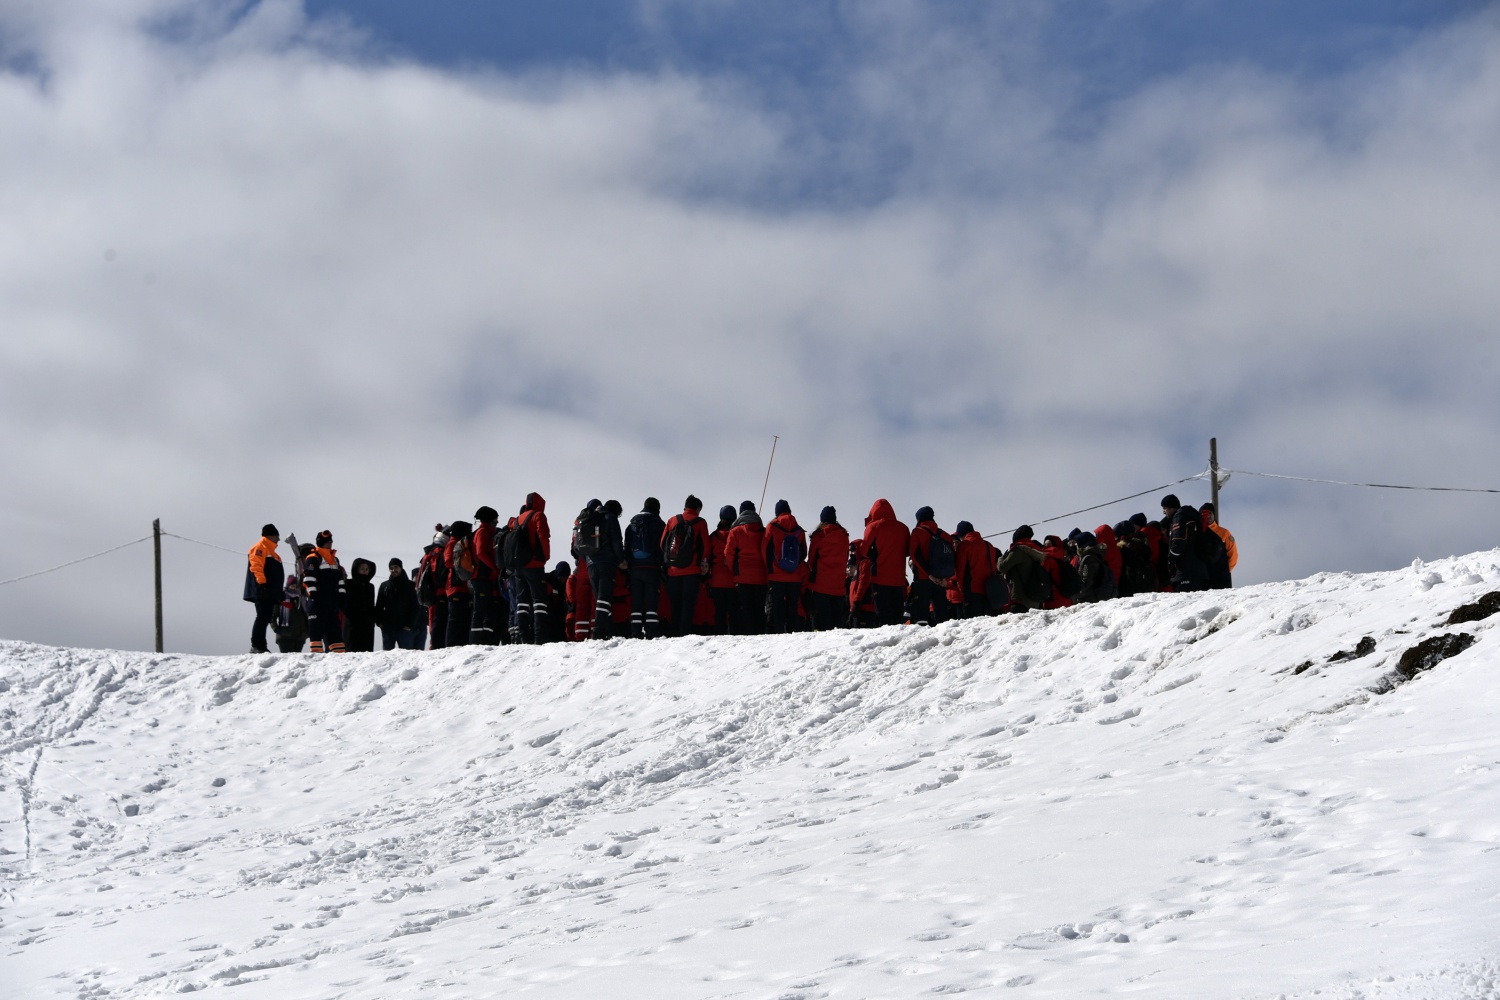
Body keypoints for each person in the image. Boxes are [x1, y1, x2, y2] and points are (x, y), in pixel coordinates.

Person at [661, 495, 712, 637]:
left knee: (675, 604)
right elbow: (706, 546)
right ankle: (685, 633)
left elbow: (662, 544)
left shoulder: (672, 520)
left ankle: (674, 633)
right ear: (698, 509)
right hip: (692, 570)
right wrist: (703, 562)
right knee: (688, 604)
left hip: (673, 571)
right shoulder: (700, 522)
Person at [577, 499, 625, 640]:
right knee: (604, 598)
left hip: (591, 564)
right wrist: (620, 560)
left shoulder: (588, 518)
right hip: (606, 562)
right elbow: (617, 541)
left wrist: (588, 558)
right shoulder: (610, 518)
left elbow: (576, 547)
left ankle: (607, 631)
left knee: (600, 599)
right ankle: (598, 632)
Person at [509, 493, 552, 644]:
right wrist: (546, 557)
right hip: (535, 565)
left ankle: (523, 637)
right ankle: (540, 637)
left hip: (519, 566)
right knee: (539, 601)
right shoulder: (538, 515)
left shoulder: (517, 520)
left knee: (522, 602)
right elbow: (543, 536)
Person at [860, 500, 910, 626]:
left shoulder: (873, 526)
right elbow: (908, 551)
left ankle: (887, 641)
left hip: (879, 577)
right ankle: (900, 642)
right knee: (897, 614)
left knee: (883, 614)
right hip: (898, 578)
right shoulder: (903, 528)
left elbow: (863, 550)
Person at [724, 501, 769, 634]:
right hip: (761, 577)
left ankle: (748, 635)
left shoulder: (735, 531)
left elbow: (728, 553)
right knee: (759, 608)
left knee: (746, 608)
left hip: (742, 577)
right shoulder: (764, 531)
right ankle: (760, 634)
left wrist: (735, 571)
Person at [624, 498, 666, 639]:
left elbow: (626, 547)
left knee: (636, 600)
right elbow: (663, 547)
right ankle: (651, 631)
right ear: (657, 509)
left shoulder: (631, 524)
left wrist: (630, 565)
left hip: (635, 568)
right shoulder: (658, 523)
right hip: (652, 567)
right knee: (652, 601)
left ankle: (635, 631)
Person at [907, 506, 956, 626]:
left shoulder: (918, 532)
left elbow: (914, 555)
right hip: (941, 579)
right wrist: (945, 578)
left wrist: (929, 574)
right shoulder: (945, 535)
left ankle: (922, 642)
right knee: (941, 615)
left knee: (921, 616)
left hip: (923, 579)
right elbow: (951, 558)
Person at [764, 500, 807, 633]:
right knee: (792, 607)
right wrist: (794, 568)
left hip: (775, 575)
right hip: (794, 577)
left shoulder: (772, 526)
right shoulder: (799, 530)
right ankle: (792, 634)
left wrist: (770, 569)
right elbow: (804, 552)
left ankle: (777, 634)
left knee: (776, 607)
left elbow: (765, 550)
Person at [805, 506, 850, 631]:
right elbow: (846, 557)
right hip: (838, 585)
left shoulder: (818, 536)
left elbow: (811, 560)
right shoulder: (844, 536)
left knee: (821, 623)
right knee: (837, 623)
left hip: (820, 585)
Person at [302, 530, 347, 653]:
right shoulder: (313, 558)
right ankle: (315, 659)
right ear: (321, 542)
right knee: (316, 632)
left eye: (331, 542)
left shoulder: (335, 560)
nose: (330, 544)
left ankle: (339, 658)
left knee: (335, 631)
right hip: (317, 602)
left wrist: (342, 595)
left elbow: (340, 580)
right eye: (328, 542)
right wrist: (314, 596)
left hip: (332, 602)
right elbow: (308, 579)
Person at [244, 524, 284, 654]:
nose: (278, 539)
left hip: (269, 591)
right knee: (262, 616)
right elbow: (256, 566)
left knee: (265, 617)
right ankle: (257, 645)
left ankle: (260, 645)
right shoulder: (260, 548)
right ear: (270, 535)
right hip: (262, 590)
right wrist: (262, 583)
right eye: (277, 536)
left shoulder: (272, 552)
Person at [1160, 495, 1209, 592]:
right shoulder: (1191, 517)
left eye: (1165, 508)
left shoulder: (1179, 518)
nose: (1163, 512)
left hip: (1186, 572)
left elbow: (1178, 543)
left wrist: (1170, 561)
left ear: (1171, 507)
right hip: (1199, 571)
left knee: (1186, 604)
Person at [953, 521, 1000, 618]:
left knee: (972, 624)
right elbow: (994, 567)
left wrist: (962, 589)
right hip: (988, 590)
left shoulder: (964, 545)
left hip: (972, 590)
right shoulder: (989, 545)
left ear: (961, 535)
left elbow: (960, 570)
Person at [469, 506, 502, 645]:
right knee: (480, 610)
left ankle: (484, 642)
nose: (497, 521)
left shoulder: (485, 532)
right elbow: (481, 553)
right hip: (481, 577)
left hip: (484, 577)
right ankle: (476, 642)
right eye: (495, 519)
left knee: (486, 610)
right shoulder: (483, 532)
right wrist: (494, 568)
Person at [376, 558, 424, 650]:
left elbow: (415, 607)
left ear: (401, 568)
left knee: (405, 657)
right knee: (386, 657)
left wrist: (409, 624)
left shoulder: (410, 585)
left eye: (396, 567)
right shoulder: (384, 585)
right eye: (391, 568)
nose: (394, 570)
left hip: (404, 628)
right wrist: (379, 622)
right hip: (388, 627)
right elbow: (379, 605)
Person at [706, 505, 737, 634]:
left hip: (717, 579)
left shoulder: (713, 536)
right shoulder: (737, 534)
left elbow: (707, 556)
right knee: (733, 611)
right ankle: (734, 634)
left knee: (719, 611)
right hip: (733, 579)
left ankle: (719, 635)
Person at [417, 528, 449, 649]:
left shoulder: (429, 553)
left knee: (434, 621)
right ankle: (435, 646)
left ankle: (434, 645)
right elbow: (438, 575)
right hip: (438, 593)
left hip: (430, 593)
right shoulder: (437, 553)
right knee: (438, 622)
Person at [443, 521, 473, 646]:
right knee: (455, 619)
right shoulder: (453, 543)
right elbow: (448, 562)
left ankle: (457, 644)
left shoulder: (456, 542)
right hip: (456, 586)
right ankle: (451, 645)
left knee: (461, 618)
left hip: (458, 586)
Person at [343, 558, 378, 652]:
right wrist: (351, 616)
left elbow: (371, 605)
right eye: (362, 568)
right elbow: (343, 603)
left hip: (367, 626)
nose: (365, 571)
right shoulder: (348, 584)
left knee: (366, 653)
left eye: (367, 569)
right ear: (356, 569)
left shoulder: (370, 587)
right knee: (351, 651)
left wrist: (373, 618)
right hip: (352, 624)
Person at [1072, 532, 1117, 603]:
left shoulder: (1089, 559)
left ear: (1082, 544)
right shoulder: (1094, 556)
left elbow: (1086, 583)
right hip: (1093, 598)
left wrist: (1073, 595)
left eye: (1077, 545)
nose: (1076, 547)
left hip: (1090, 600)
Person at [1200, 503, 1237, 589]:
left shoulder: (1224, 533)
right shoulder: (1197, 533)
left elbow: (1233, 554)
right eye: (1204, 513)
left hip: (1222, 579)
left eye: (1210, 513)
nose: (1207, 516)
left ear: (1214, 514)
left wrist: (1226, 570)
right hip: (1204, 578)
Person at [275, 568, 308, 653]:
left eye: (296, 585)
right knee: (286, 660)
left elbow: (306, 616)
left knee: (296, 661)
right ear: (288, 585)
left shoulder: (303, 599)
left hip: (300, 636)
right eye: (292, 585)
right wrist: (276, 629)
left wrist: (307, 632)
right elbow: (272, 616)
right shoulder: (281, 597)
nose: (294, 587)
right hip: (284, 636)